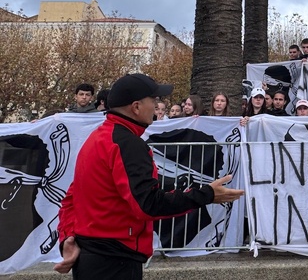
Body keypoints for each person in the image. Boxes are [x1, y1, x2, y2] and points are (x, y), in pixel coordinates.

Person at [54, 73, 244, 278]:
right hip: (114, 259)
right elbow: (148, 204)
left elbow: (71, 197)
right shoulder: (127, 144)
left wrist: (67, 236)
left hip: (94, 255)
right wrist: (207, 194)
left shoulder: (99, 137)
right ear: (136, 107)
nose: (156, 106)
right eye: (153, 101)